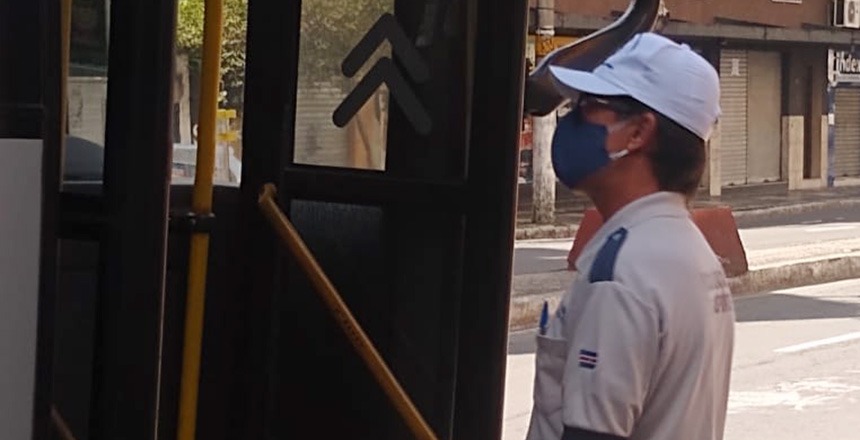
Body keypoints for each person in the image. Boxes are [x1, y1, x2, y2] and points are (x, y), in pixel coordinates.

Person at [525, 32, 735, 440]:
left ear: (638, 132)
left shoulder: (622, 271)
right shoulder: (690, 252)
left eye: (591, 105)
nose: (572, 119)